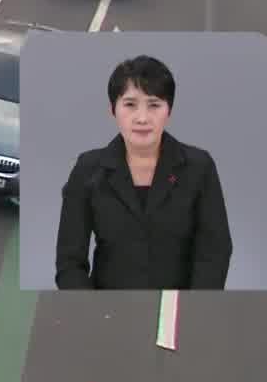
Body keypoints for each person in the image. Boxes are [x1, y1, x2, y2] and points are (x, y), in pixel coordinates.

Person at [54, 55, 232, 290]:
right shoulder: (88, 169)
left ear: (169, 110)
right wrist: (90, 312)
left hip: (177, 311)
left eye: (154, 105)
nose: (142, 118)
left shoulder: (199, 167)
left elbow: (215, 252)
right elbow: (69, 262)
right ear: (112, 109)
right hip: (106, 311)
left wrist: (192, 311)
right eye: (130, 104)